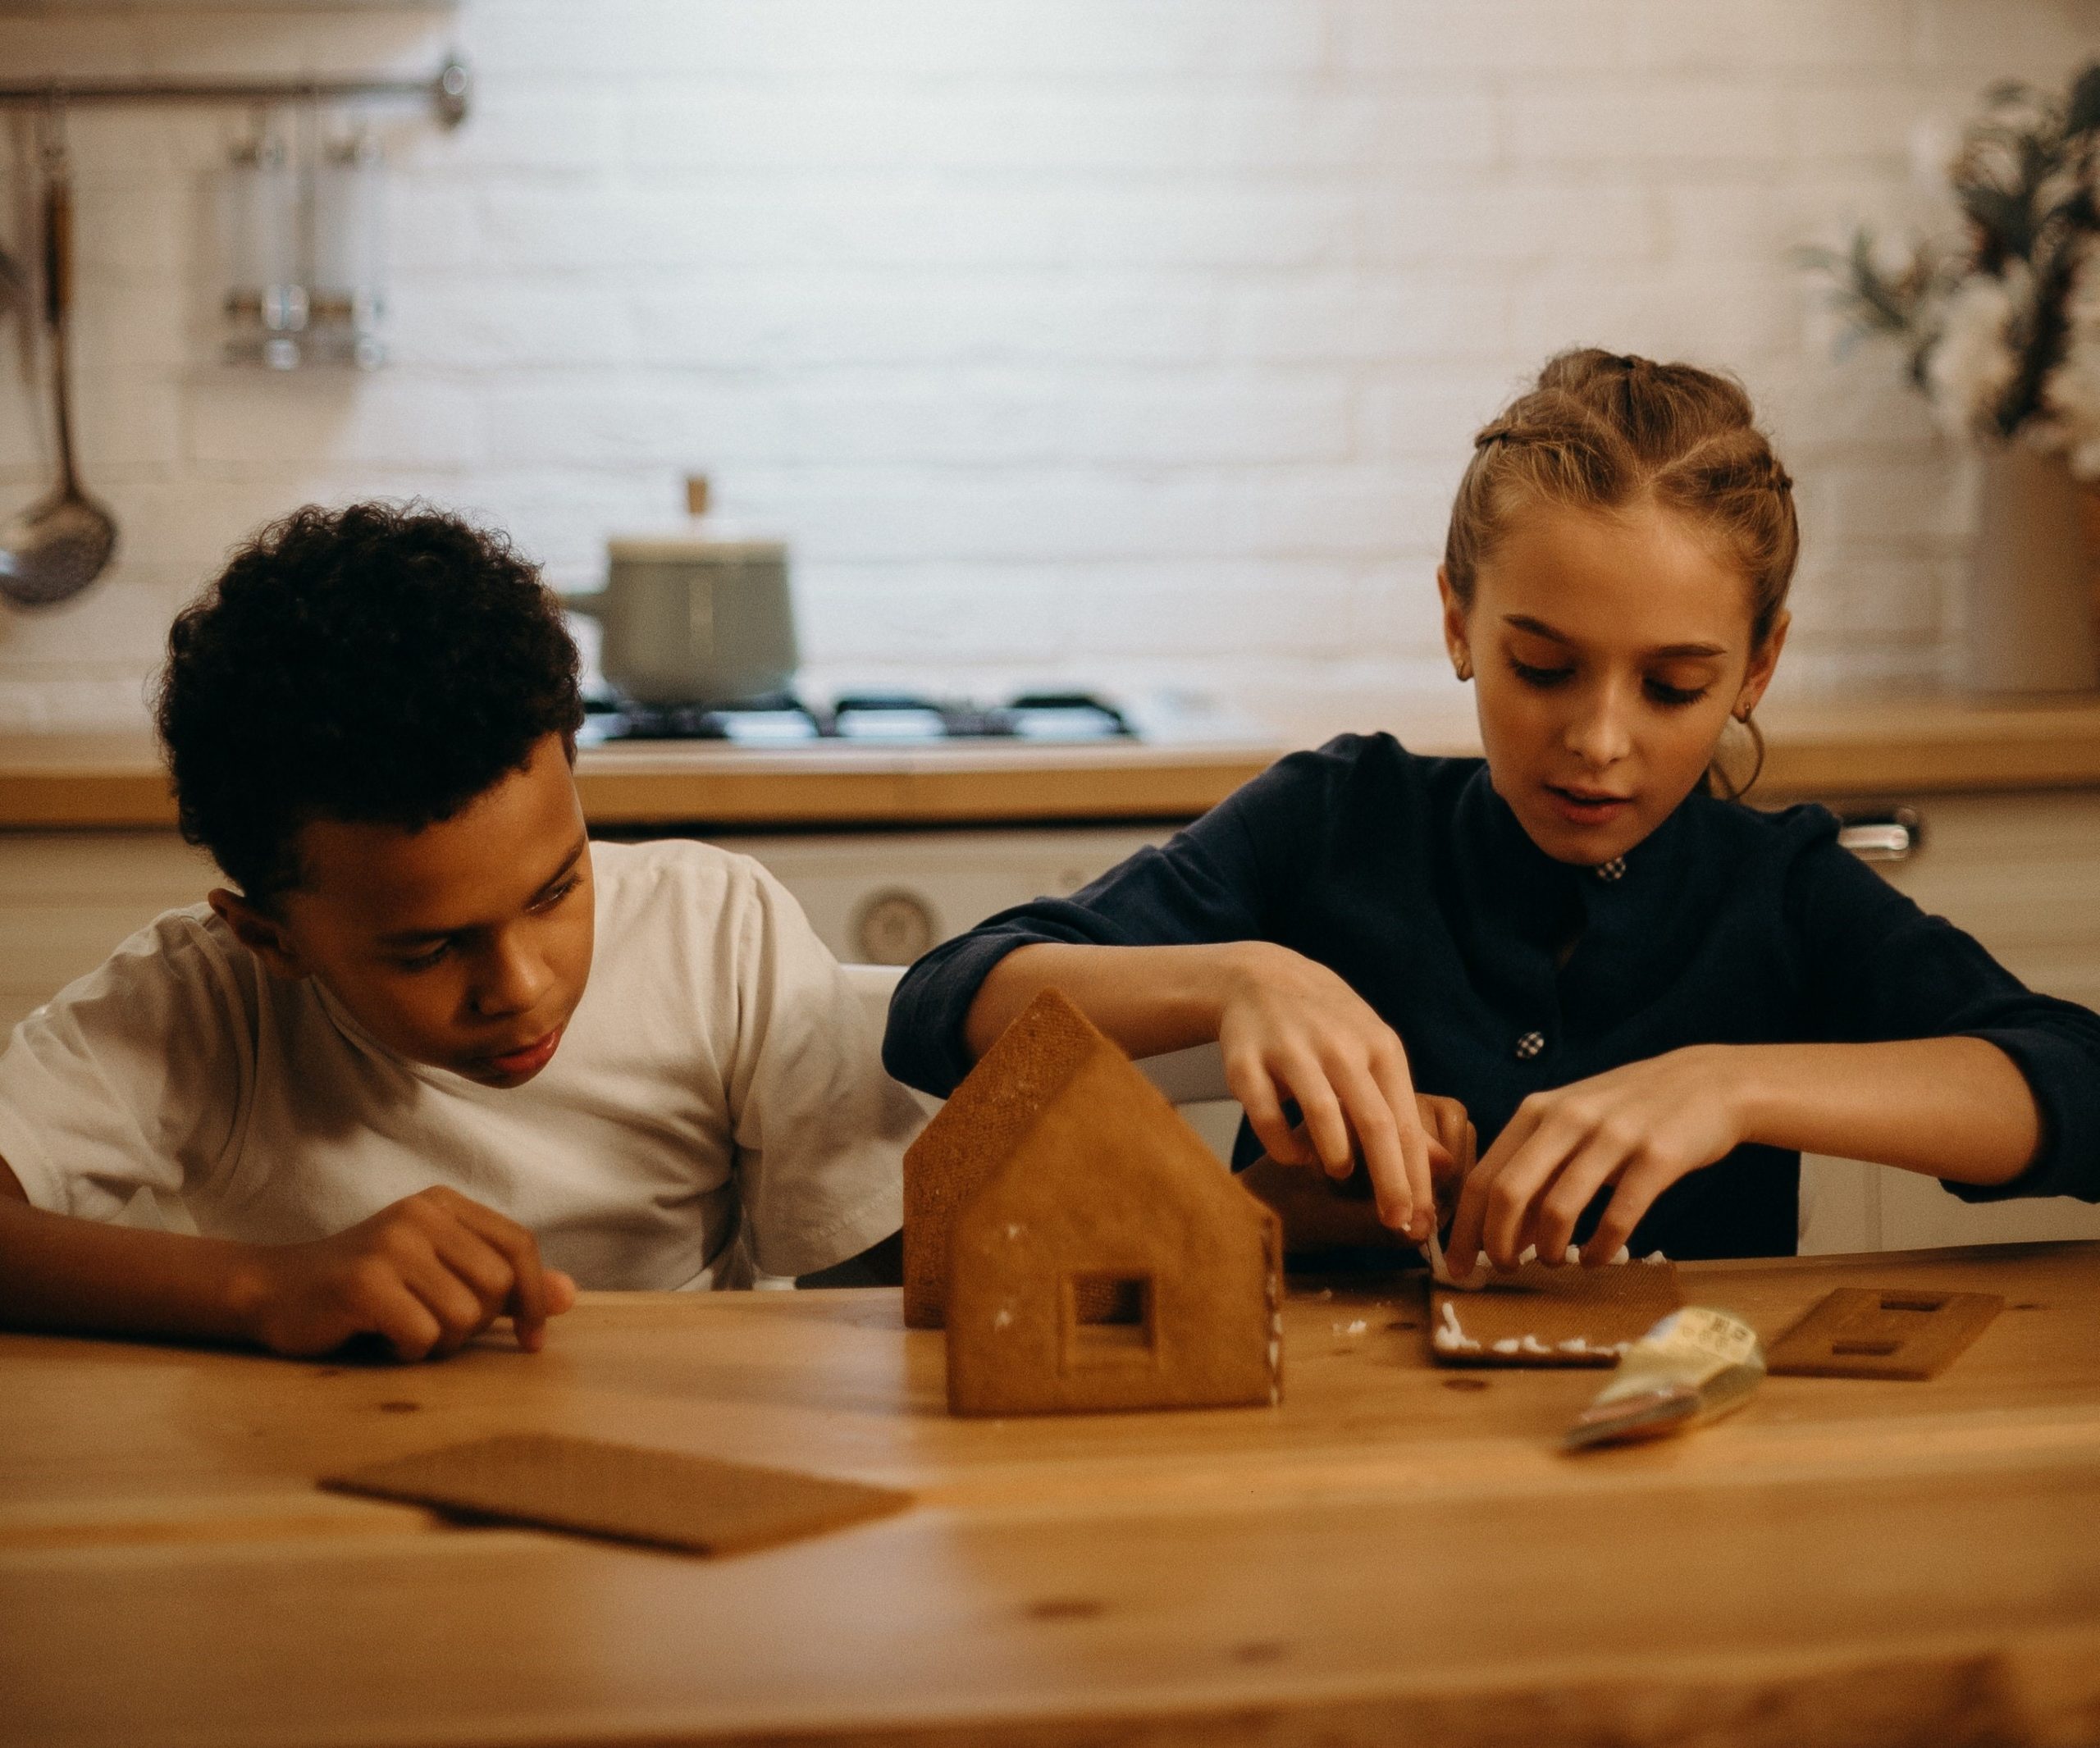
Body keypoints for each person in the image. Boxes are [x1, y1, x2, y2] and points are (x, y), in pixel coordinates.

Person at [883, 349, 2100, 1276]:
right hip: (1319, 1470)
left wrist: (1732, 1085)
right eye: (1544, 666)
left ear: (1757, 668)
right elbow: (942, 1003)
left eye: (1675, 686)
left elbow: (2081, 1084)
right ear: (1459, 619)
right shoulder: (1335, 818)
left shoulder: (1776, 888)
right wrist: (1235, 978)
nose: (1598, 740)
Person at [0, 503, 920, 1361]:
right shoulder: (203, 1008)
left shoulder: (716, 933)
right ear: (272, 941)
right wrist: (264, 1285)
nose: (518, 985)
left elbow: (875, 1280)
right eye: (430, 948)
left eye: (557, 889)